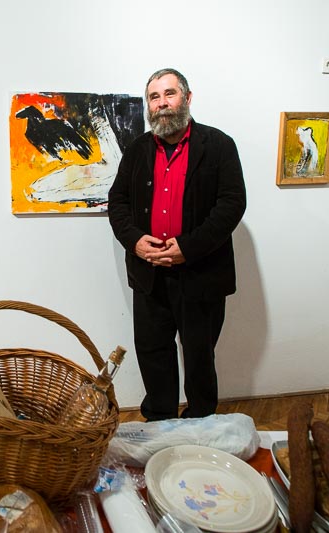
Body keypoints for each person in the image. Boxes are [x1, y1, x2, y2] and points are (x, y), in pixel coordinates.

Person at [107, 68, 246, 422]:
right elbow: (118, 203)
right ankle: (160, 422)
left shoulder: (219, 145)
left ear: (187, 98)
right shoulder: (137, 150)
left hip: (201, 274)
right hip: (149, 275)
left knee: (200, 355)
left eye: (169, 94)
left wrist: (188, 247)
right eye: (154, 97)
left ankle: (201, 422)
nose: (162, 103)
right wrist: (136, 242)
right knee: (153, 353)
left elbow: (231, 205)